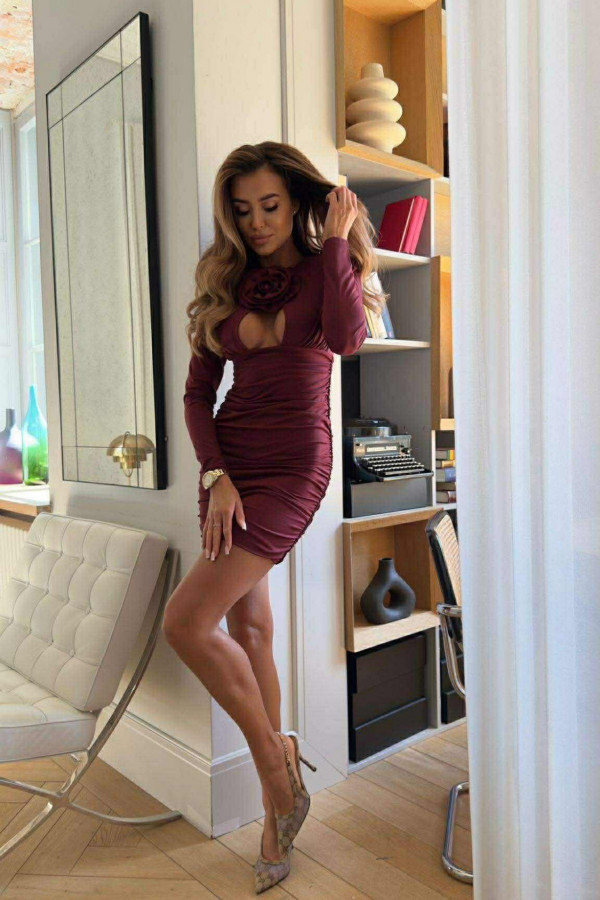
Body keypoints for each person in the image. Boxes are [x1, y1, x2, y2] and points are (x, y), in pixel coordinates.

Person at [162, 141, 386, 893]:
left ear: (296, 203)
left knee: (186, 624)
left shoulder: (328, 268)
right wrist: (216, 475)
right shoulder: (226, 280)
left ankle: (275, 767)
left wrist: (336, 241)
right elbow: (198, 395)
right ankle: (275, 812)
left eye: (270, 206)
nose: (256, 222)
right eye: (243, 209)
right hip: (228, 471)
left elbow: (348, 340)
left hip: (293, 470)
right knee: (248, 628)